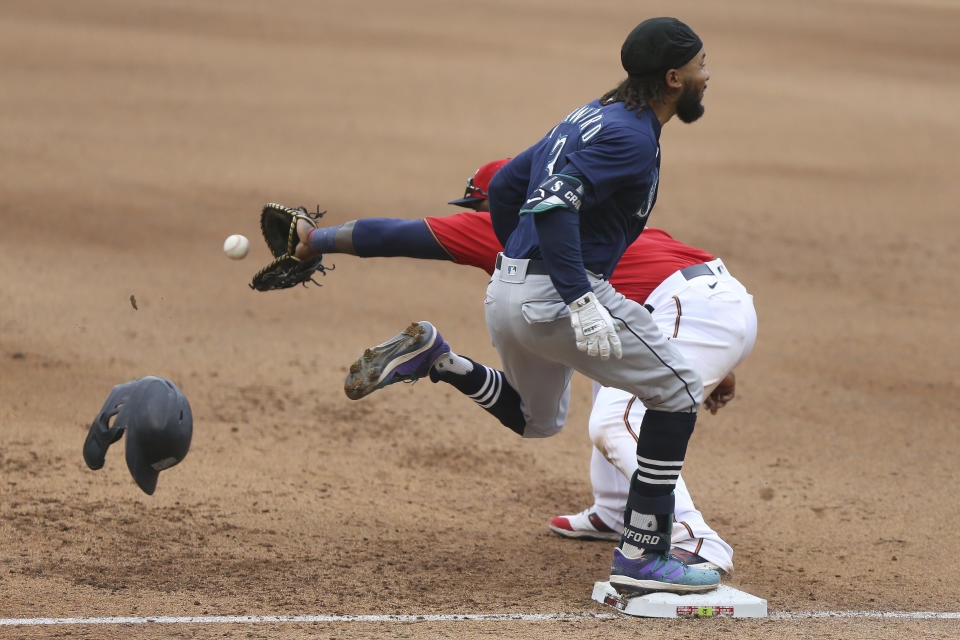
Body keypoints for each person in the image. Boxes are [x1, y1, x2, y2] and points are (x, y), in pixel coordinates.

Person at [338, 17, 721, 595]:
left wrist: (515, 258)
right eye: (699, 66)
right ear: (673, 78)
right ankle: (644, 554)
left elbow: (509, 187)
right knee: (680, 393)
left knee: (537, 420)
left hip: (509, 291)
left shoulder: (587, 116)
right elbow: (551, 202)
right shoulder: (632, 135)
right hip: (561, 293)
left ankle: (442, 360)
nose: (706, 75)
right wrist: (579, 297)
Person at [294, 158, 754, 574]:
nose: (476, 215)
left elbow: (390, 235)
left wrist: (313, 240)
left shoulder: (506, 228)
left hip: (690, 309)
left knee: (617, 421)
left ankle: (695, 541)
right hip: (697, 303)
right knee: (570, 394)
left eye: (480, 205)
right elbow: (658, 272)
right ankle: (615, 508)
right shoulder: (593, 217)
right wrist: (712, 356)